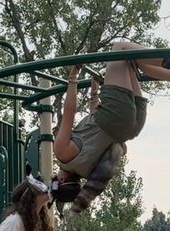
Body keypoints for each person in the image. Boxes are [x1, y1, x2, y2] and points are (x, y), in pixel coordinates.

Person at [53, 40, 170, 214]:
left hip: (131, 127)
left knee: (132, 60)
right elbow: (69, 112)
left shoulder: (90, 172)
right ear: (62, 180)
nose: (54, 173)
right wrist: (73, 77)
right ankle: (166, 58)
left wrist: (94, 93)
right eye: (54, 177)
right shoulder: (61, 153)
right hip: (115, 116)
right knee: (119, 48)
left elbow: (96, 129)